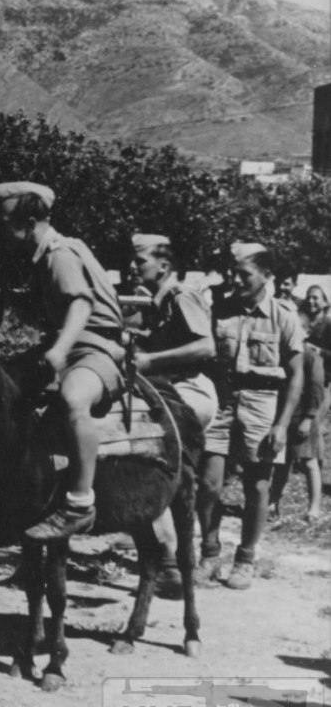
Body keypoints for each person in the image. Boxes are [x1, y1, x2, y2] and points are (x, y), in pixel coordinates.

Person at [0, 182, 125, 540]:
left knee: (73, 398)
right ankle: (10, 497)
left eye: (6, 222)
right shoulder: (40, 258)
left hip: (95, 349)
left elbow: (80, 304)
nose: (1, 230)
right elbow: (50, 308)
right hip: (72, 345)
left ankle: (80, 504)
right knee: (2, 389)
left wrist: (60, 349)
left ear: (29, 223)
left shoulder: (59, 254)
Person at [197, 242, 305, 590]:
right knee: (208, 483)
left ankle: (245, 558)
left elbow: (296, 375)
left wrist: (282, 424)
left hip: (263, 403)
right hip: (222, 400)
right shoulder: (219, 310)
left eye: (244, 274)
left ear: (267, 275)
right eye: (233, 273)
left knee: (257, 485)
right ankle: (209, 552)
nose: (236, 279)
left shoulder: (283, 316)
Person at [130, 233, 218, 593]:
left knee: (157, 466)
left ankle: (173, 560)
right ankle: (169, 559)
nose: (133, 266)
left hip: (190, 390)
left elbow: (206, 346)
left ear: (164, 265)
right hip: (169, 390)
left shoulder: (182, 295)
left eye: (140, 261)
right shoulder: (156, 300)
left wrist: (150, 360)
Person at [268, 326, 326, 521]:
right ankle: (273, 503)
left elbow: (317, 388)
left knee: (309, 462)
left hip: (303, 415)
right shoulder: (283, 352)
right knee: (281, 463)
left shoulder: (310, 356)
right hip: (284, 414)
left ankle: (314, 508)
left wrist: (309, 418)